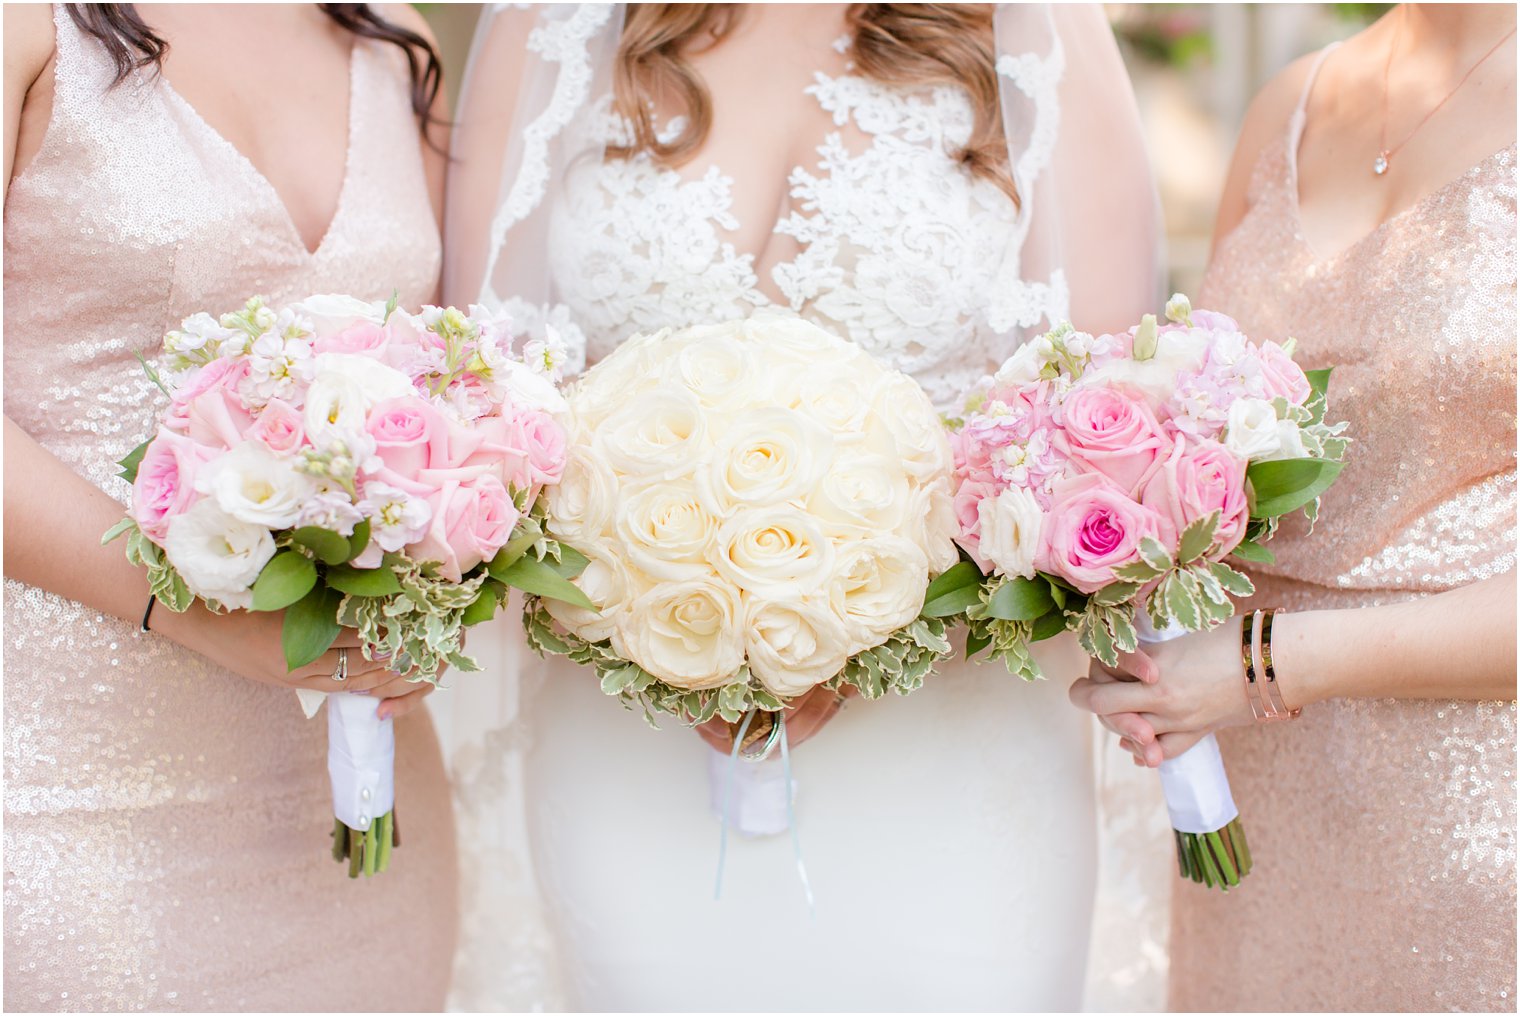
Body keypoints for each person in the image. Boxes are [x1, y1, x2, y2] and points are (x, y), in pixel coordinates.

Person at [442, 4, 1159, 1009]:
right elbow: (483, 405)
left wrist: (861, 625)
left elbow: (1106, 427)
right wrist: (646, 608)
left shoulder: (1027, 25)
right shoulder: (556, 24)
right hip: (630, 735)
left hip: (956, 746)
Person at [3, 4, 459, 1008]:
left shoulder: (390, 37)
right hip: (63, 788)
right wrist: (195, 611)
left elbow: (448, 381)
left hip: (359, 798)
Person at [1070, 3, 1516, 1009]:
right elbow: (1193, 422)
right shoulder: (1295, 100)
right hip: (1250, 803)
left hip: (1480, 821)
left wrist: (1259, 661)